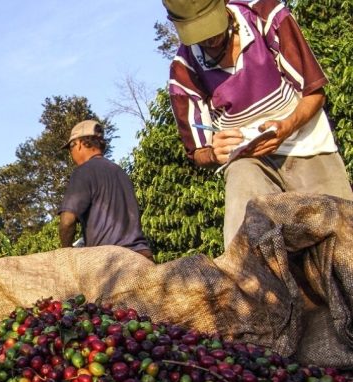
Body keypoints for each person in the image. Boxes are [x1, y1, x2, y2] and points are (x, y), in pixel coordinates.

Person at [163, 0, 353, 247]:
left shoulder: (266, 17)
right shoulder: (183, 71)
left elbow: (314, 93)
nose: (209, 40)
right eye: (198, 33)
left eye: (212, 26)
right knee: (245, 232)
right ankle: (246, 279)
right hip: (249, 158)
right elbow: (197, 152)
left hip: (305, 143)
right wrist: (214, 152)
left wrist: (286, 126)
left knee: (344, 237)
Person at [58, 120, 153, 260]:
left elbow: (67, 221)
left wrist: (66, 254)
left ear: (78, 144)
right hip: (143, 257)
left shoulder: (83, 171)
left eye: (70, 149)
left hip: (111, 263)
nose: (71, 155)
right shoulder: (120, 172)